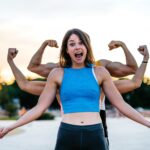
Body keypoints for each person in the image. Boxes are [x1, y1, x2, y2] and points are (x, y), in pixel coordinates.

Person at [1, 28, 150, 150]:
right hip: (67, 133)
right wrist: (11, 127)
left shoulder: (100, 72)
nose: (77, 47)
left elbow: (122, 105)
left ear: (86, 47)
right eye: (72, 44)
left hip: (95, 133)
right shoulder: (57, 74)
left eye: (81, 43)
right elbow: (39, 108)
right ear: (67, 49)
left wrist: (148, 123)